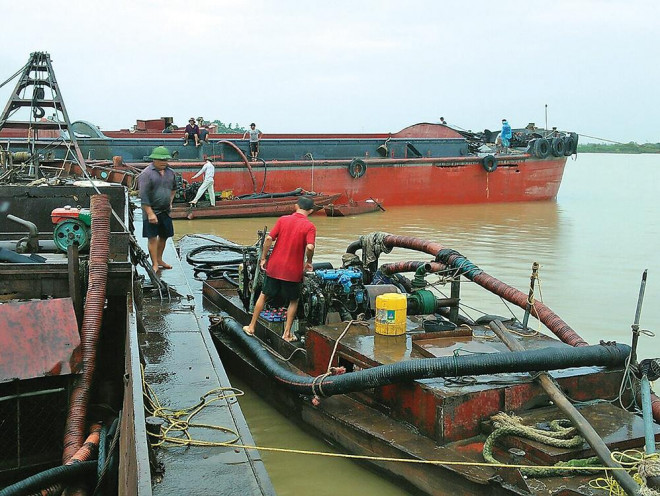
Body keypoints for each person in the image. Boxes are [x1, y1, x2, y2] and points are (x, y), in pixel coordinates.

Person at [243, 196, 316, 342]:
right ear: (311, 211)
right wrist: (308, 261)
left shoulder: (283, 219)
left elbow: (269, 239)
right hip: (293, 271)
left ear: (296, 206)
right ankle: (287, 334)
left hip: (274, 266)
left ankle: (251, 327)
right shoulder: (310, 227)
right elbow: (310, 247)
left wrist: (263, 258)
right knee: (293, 301)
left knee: (264, 295)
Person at [139, 146, 177, 273]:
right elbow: (143, 196)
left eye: (166, 160)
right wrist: (150, 213)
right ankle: (154, 263)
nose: (164, 162)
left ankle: (160, 259)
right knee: (152, 237)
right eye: (161, 160)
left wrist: (170, 202)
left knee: (165, 236)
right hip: (151, 211)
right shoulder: (146, 174)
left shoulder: (171, 173)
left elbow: (174, 189)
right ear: (154, 160)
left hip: (165, 211)